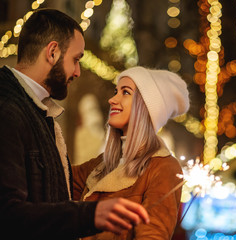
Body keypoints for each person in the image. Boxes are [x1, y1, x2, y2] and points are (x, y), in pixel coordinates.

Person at [0, 9, 149, 240]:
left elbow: (53, 194)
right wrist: (90, 216)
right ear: (52, 52)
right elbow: (8, 215)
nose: (78, 72)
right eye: (76, 59)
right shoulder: (7, 109)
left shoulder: (37, 111)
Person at [72, 66, 190, 239]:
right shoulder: (101, 165)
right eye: (115, 91)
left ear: (145, 106)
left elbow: (152, 235)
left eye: (125, 92)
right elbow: (54, 180)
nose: (112, 99)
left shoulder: (164, 167)